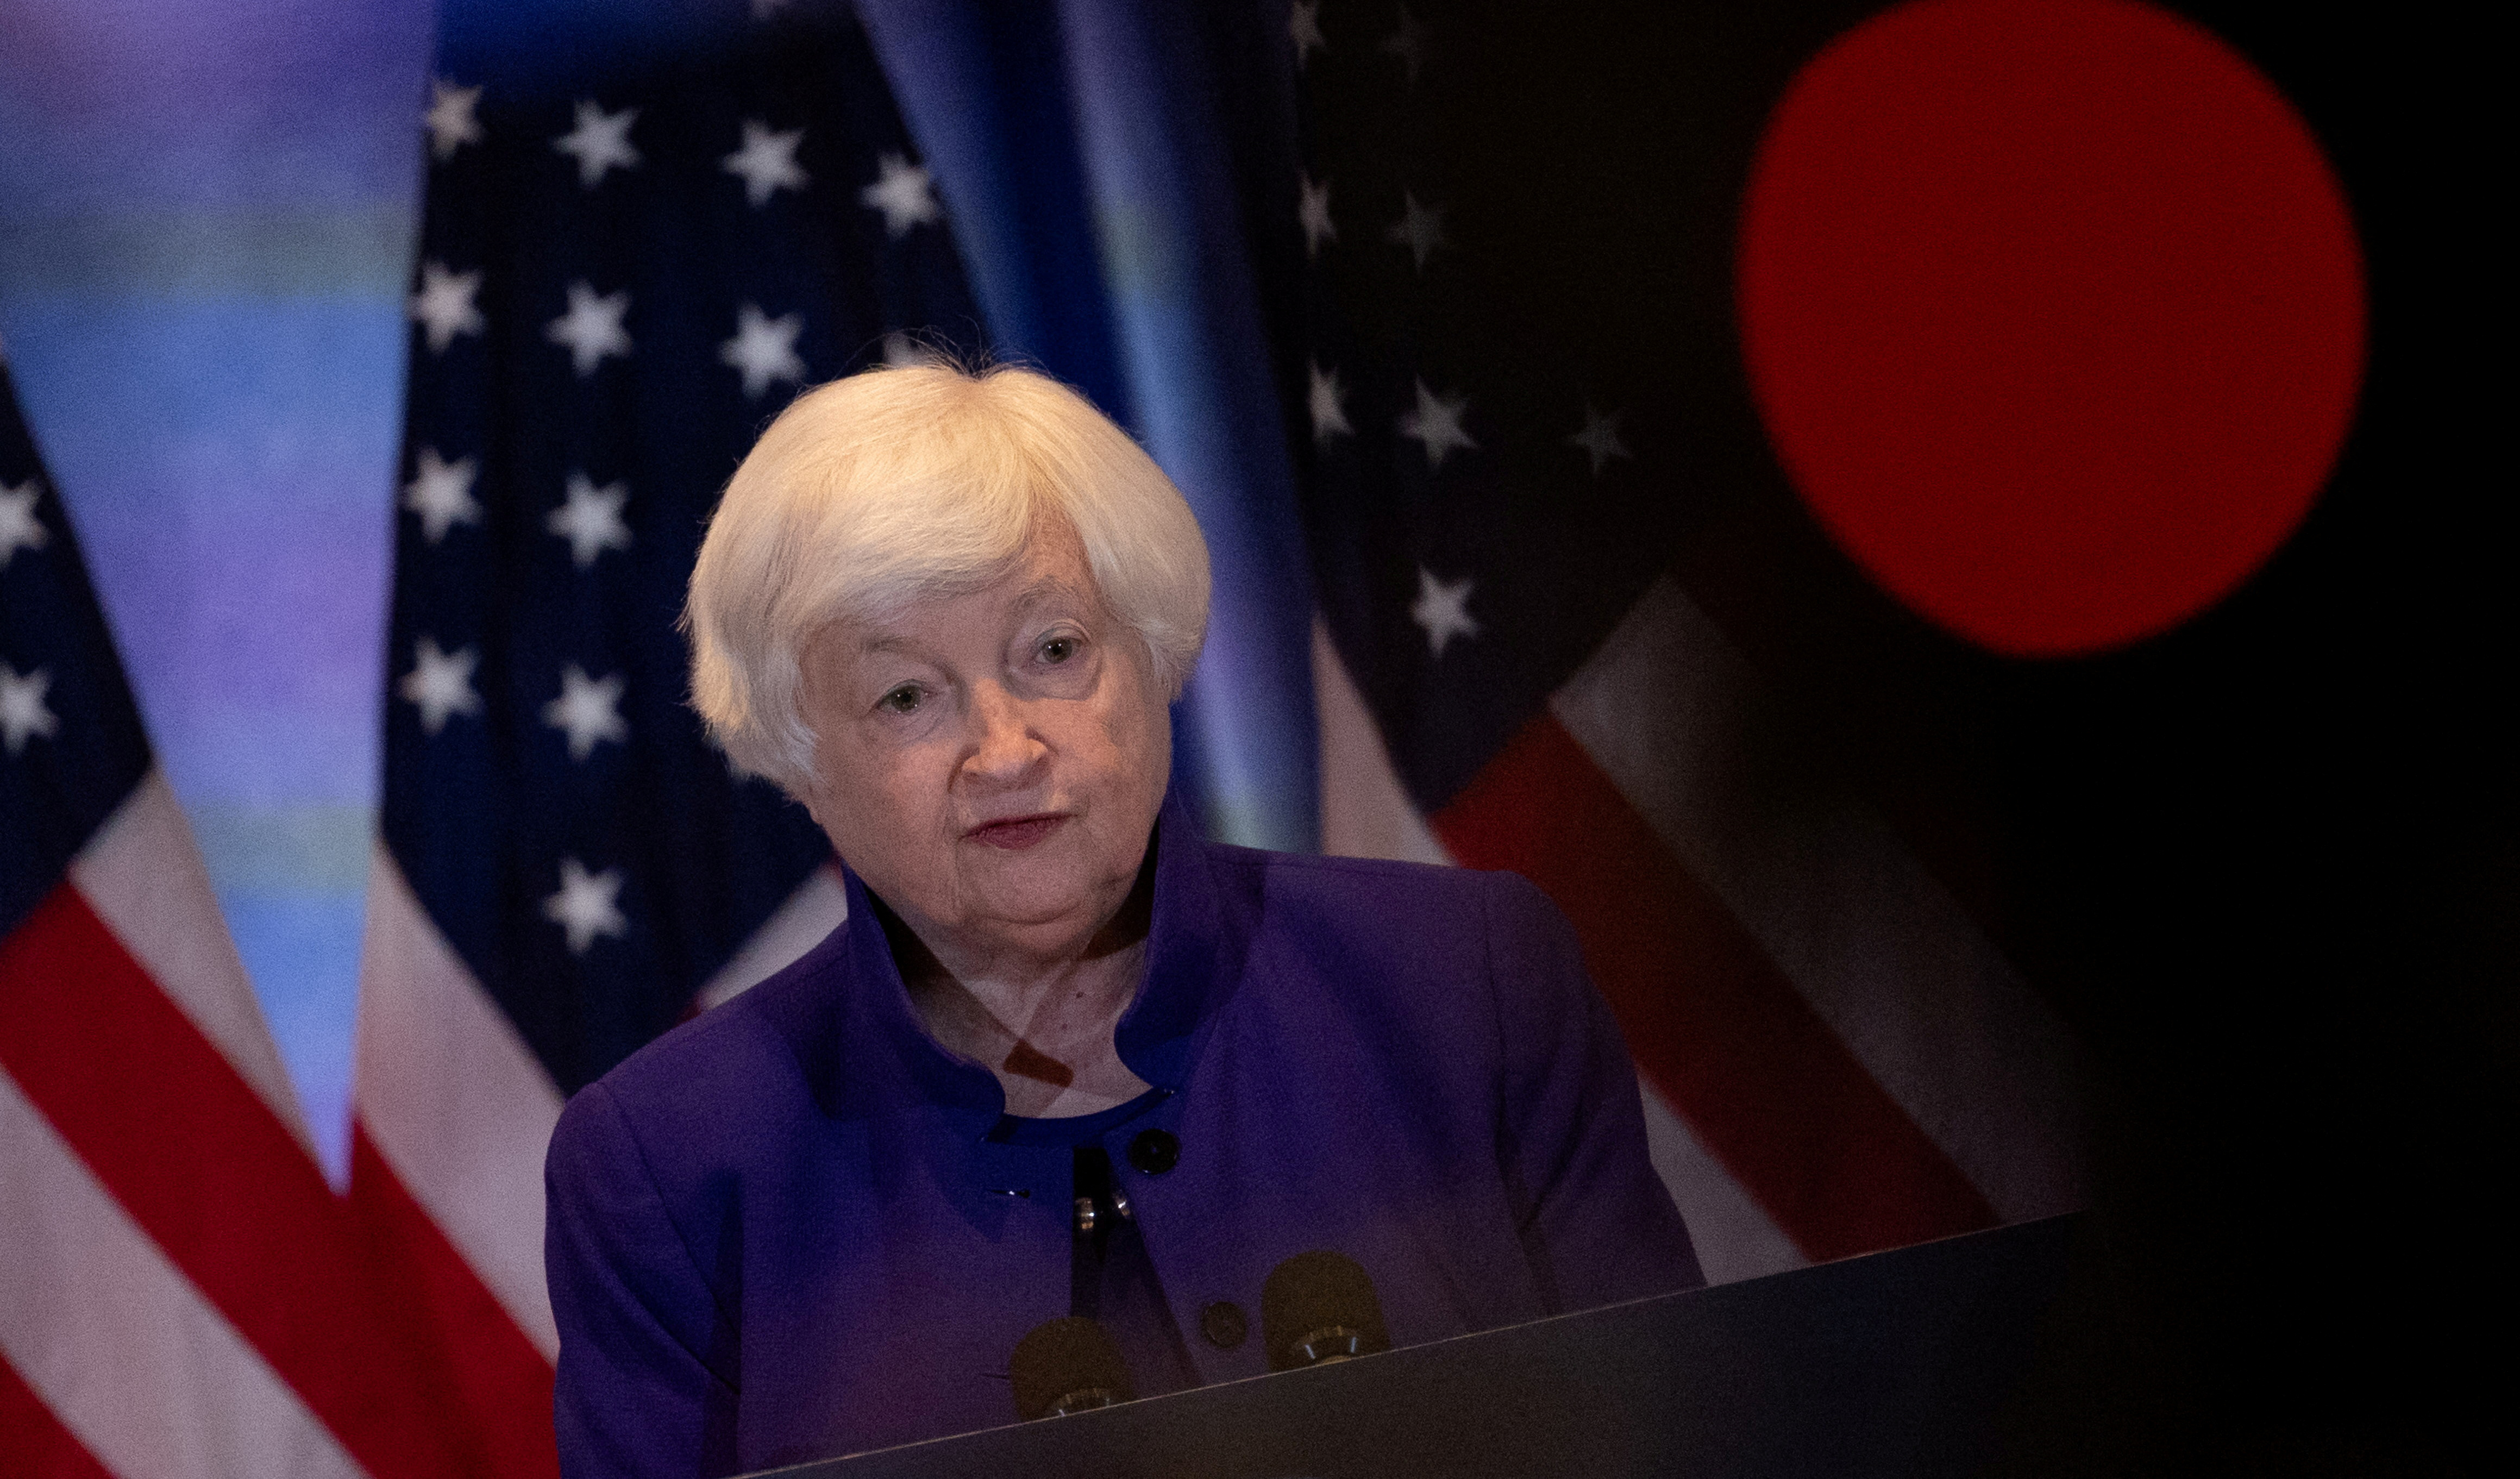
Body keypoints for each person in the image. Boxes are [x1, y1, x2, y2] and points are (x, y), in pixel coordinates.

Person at [543, 362, 1701, 1476]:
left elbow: (1685, 1444)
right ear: (801, 758)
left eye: (1053, 651)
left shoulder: (1464, 985)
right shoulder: (670, 1166)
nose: (1005, 749)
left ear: (1152, 655)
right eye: (905, 694)